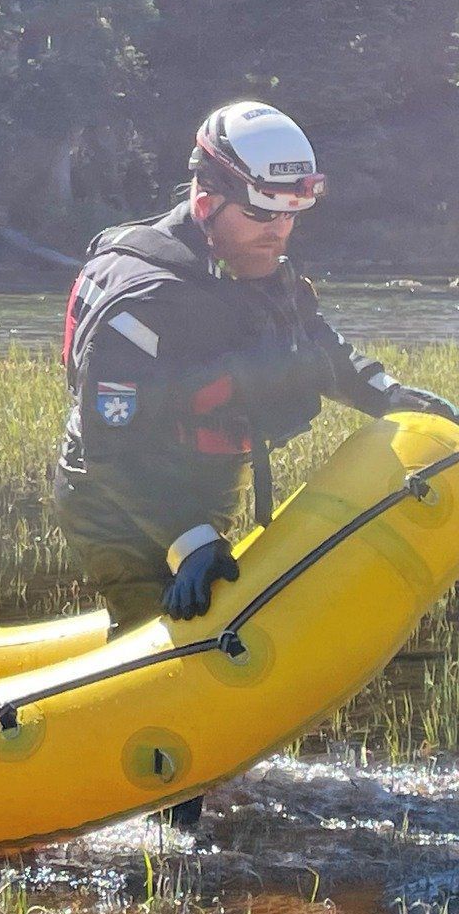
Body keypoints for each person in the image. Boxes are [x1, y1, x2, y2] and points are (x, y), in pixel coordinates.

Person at [57, 101, 458, 634]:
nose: (280, 230)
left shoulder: (257, 265)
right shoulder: (144, 302)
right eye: (262, 214)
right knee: (162, 638)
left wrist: (386, 393)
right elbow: (113, 450)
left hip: (208, 480)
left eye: (291, 213)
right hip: (118, 500)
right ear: (205, 201)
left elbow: (316, 345)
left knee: (219, 616)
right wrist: (189, 540)